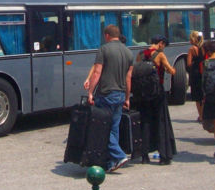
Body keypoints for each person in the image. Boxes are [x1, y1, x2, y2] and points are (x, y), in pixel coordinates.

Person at [87, 25, 134, 172]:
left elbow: (97, 72)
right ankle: (112, 162)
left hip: (106, 94)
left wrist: (90, 92)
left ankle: (119, 155)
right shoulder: (128, 52)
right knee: (114, 129)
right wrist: (127, 97)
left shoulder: (104, 49)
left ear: (107, 36)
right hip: (120, 95)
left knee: (102, 129)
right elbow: (128, 78)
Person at [133, 35, 177, 165]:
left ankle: (144, 155)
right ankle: (164, 155)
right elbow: (171, 71)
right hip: (157, 93)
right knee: (161, 122)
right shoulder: (160, 55)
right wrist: (172, 70)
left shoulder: (140, 54)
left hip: (142, 94)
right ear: (161, 43)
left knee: (145, 122)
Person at [187, 31, 205, 122]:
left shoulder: (192, 49)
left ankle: (201, 116)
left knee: (197, 97)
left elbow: (189, 63)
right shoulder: (203, 48)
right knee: (203, 95)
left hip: (195, 74)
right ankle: (205, 115)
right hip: (203, 73)